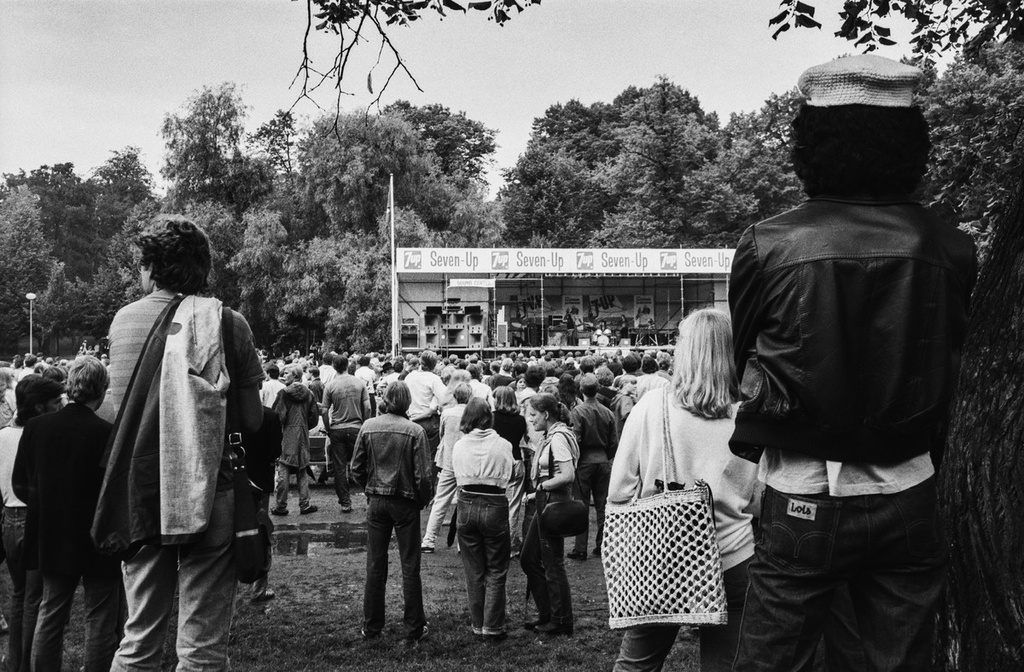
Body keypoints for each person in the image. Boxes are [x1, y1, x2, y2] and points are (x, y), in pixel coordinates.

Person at [728, 55, 977, 672]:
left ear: (810, 144)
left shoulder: (768, 243)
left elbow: (747, 366)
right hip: (911, 486)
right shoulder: (950, 245)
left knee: (768, 661)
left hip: (802, 487)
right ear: (908, 144)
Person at [94, 215, 265, 672]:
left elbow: (118, 412)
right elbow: (250, 419)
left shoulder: (124, 322)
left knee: (138, 640)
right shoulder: (228, 324)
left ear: (150, 267)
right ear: (203, 268)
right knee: (203, 650)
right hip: (213, 490)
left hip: (145, 490)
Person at [609, 309, 757, 672]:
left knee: (636, 665)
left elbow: (618, 490)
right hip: (733, 555)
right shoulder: (749, 416)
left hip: (662, 553)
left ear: (684, 350)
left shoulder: (650, 408)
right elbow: (758, 499)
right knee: (726, 665)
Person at [13, 357, 123, 672]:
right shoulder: (107, 433)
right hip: (97, 534)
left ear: (71, 387)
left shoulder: (36, 428)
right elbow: (114, 490)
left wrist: (45, 504)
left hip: (52, 530)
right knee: (100, 617)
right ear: (102, 391)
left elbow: (21, 483)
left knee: (51, 612)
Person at [351, 381, 433, 644]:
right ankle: (413, 627)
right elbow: (423, 476)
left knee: (375, 564)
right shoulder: (415, 431)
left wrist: (369, 488)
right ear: (407, 403)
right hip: (405, 501)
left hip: (377, 501)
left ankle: (372, 626)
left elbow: (356, 467)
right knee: (410, 566)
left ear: (385, 399)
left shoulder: (368, 427)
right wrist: (421, 500)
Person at [0, 376, 62, 672]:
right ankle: (25, 666)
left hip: (9, 520)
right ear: (38, 406)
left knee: (18, 594)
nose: (59, 407)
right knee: (34, 600)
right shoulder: (39, 436)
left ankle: (14, 662)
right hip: (31, 518)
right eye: (54, 402)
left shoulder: (2, 436)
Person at [452, 398, 514, 641]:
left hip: (466, 502)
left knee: (474, 570)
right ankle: (493, 626)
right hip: (494, 502)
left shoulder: (459, 445)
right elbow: (509, 475)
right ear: (489, 417)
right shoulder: (503, 445)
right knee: (497, 568)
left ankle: (478, 624)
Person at [519, 393, 580, 637]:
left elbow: (567, 475)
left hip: (553, 503)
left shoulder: (558, 439)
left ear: (545, 414)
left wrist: (541, 488)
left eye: (532, 415)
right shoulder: (554, 436)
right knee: (533, 558)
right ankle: (549, 614)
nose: (530, 420)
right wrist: (536, 495)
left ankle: (560, 619)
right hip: (547, 501)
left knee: (551, 562)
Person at [567, 373, 618, 561]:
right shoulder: (607, 412)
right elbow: (614, 441)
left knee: (581, 505)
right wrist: (606, 456)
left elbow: (576, 438)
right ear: (597, 389)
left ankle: (580, 547)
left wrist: (574, 459)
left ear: (581, 389)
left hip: (584, 461)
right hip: (603, 460)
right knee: (602, 504)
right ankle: (603, 543)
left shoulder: (578, 411)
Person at [421, 383, 472, 553]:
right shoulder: (472, 414)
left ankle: (429, 540)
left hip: (449, 460)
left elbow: (443, 435)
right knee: (465, 502)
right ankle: (461, 543)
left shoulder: (447, 414)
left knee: (441, 501)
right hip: (466, 463)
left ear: (455, 396)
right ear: (469, 396)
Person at [242, 406, 283, 602]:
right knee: (260, 533)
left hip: (231, 479)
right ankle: (258, 589)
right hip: (260, 480)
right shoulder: (269, 415)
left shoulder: (229, 412)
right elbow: (276, 450)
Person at [323, 354, 370, 514]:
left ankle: (345, 502)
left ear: (334, 367)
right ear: (348, 365)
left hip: (337, 428)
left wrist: (328, 427)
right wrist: (365, 424)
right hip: (357, 427)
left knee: (340, 467)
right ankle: (370, 497)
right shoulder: (359, 383)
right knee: (363, 463)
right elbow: (368, 407)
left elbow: (324, 410)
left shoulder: (330, 386)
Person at [271, 363, 320, 516]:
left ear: (296, 376)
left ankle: (281, 505)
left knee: (284, 470)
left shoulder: (283, 393)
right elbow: (314, 417)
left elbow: (278, 416)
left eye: (287, 373)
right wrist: (305, 424)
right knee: (302, 470)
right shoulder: (309, 394)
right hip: (303, 433)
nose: (284, 375)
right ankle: (304, 504)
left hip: (288, 434)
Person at [492, 387, 528, 555]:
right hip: (515, 459)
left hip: (495, 462)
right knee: (513, 505)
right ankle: (510, 543)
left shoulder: (491, 419)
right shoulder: (521, 420)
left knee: (494, 502)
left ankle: (497, 541)